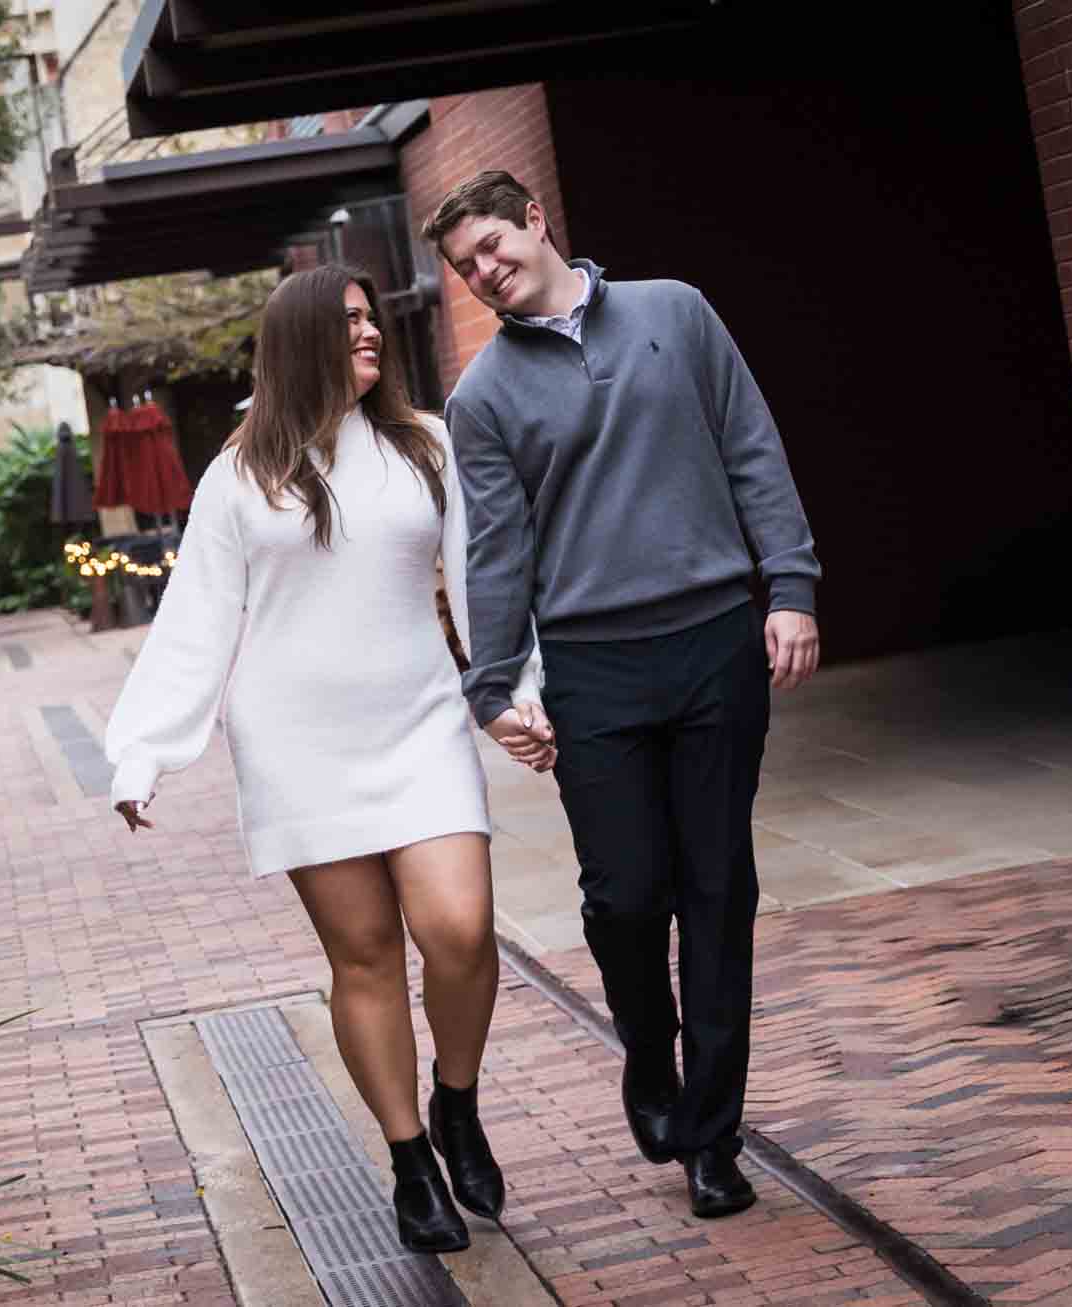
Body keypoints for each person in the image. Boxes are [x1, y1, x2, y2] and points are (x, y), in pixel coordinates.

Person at [103, 264, 553, 1253]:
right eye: (347, 321)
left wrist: (511, 694)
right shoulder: (238, 472)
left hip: (418, 723)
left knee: (459, 928)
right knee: (362, 957)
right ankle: (408, 1162)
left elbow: (481, 584)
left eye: (372, 319)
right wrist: (141, 752)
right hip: (297, 744)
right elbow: (196, 626)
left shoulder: (424, 444)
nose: (369, 334)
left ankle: (456, 1098)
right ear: (300, 337)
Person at [423, 170, 822, 1220]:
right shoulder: (482, 397)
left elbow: (750, 450)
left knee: (716, 891)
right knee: (625, 897)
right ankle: (648, 1052)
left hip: (710, 644)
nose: (484, 273)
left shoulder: (674, 312)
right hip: (593, 668)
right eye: (467, 267)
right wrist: (490, 686)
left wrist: (788, 587)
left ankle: (710, 1135)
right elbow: (498, 554)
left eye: (493, 248)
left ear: (536, 221)